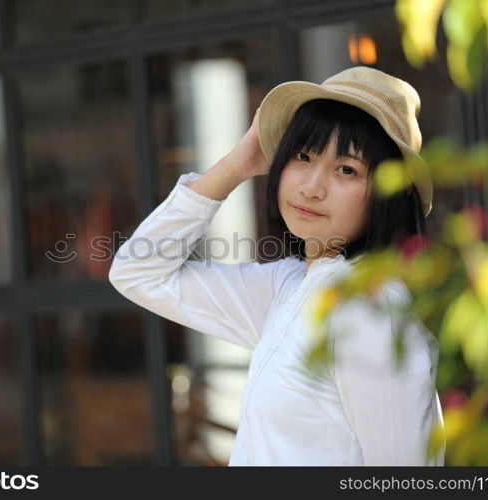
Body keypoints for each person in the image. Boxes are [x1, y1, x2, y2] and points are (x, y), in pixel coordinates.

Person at [108, 66, 445, 466]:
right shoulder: (288, 288)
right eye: (302, 156)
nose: (311, 187)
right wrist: (236, 165)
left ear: (392, 191)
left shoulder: (369, 310)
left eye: (346, 169)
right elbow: (137, 271)